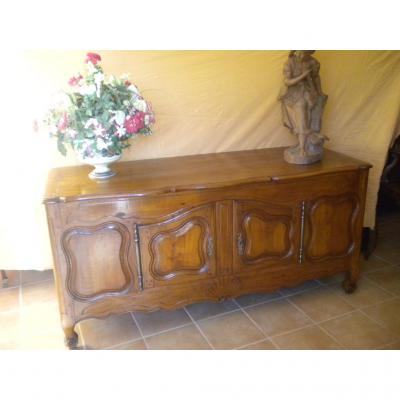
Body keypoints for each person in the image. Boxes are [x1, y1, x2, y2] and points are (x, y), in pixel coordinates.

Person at [279, 50, 328, 160]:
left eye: (303, 53)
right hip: (294, 93)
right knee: (301, 115)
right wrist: (303, 76)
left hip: (309, 92)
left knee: (312, 115)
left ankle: (309, 142)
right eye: (298, 52)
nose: (299, 56)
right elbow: (287, 82)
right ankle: (302, 148)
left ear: (309, 53)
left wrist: (320, 92)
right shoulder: (290, 62)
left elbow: (316, 78)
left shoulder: (314, 62)